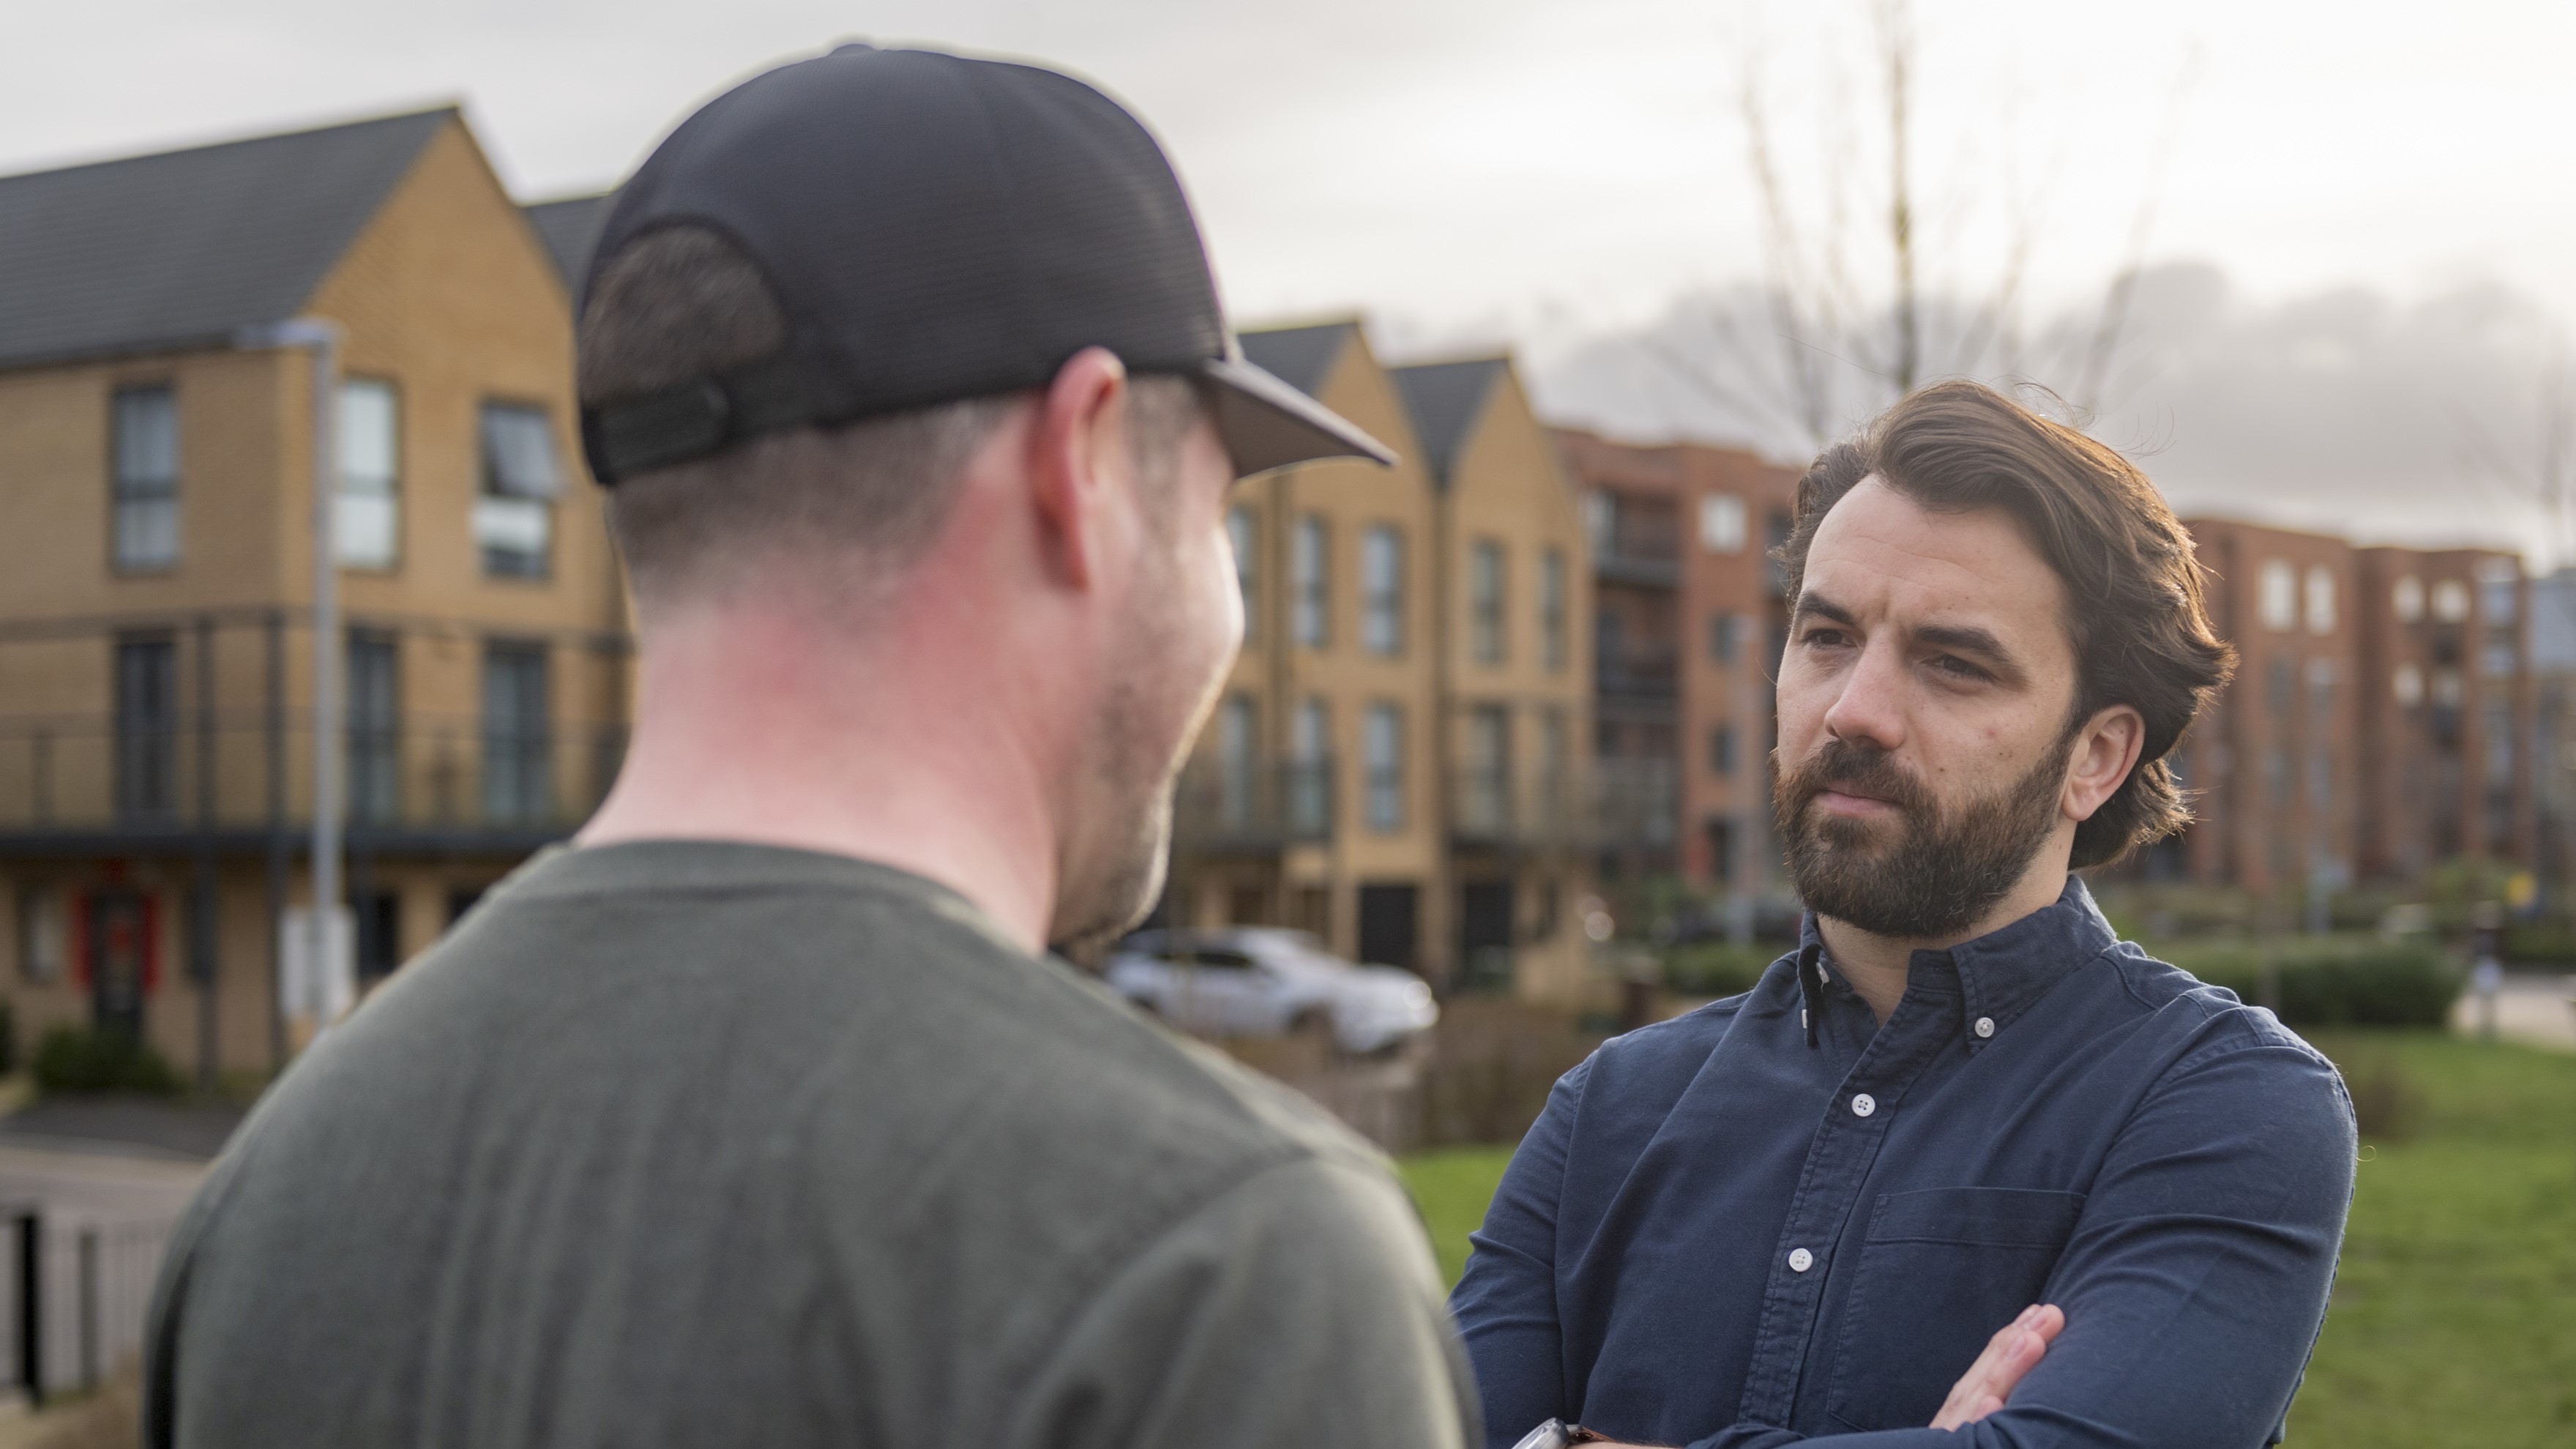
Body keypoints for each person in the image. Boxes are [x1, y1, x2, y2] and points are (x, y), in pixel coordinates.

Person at [143, 44, 1479, 1449]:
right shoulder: (1225, 1258)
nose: (1224, 592)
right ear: (1080, 463)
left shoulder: (268, 1202)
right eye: (1219, 515)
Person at [1453, 382, 2356, 1448]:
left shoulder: (2223, 1104)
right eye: (1826, 637)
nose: (1855, 711)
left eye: (1953, 663)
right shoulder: (1611, 1113)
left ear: (2097, 757)